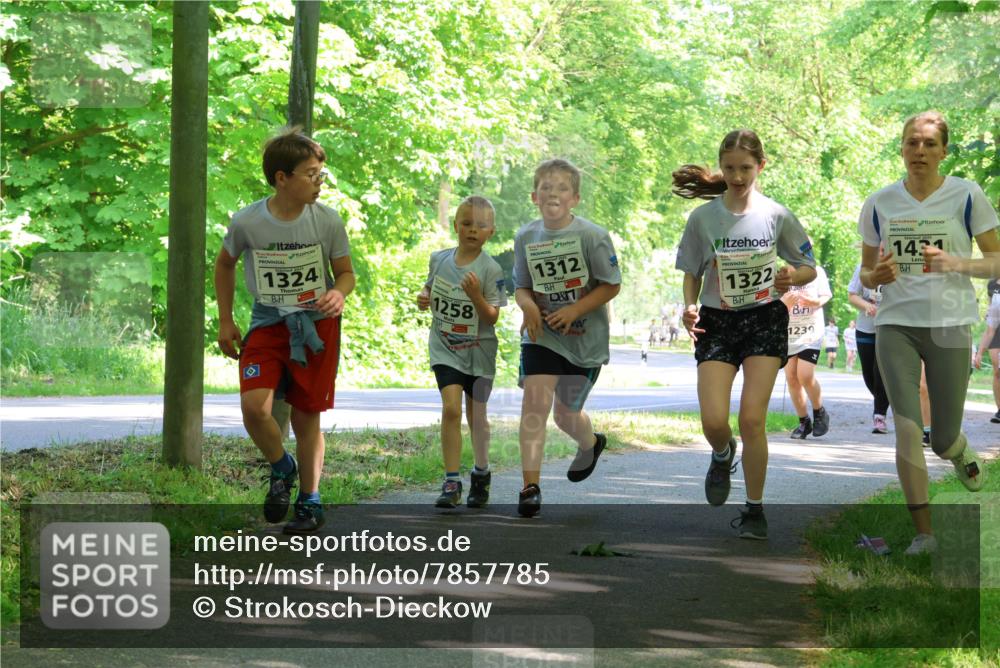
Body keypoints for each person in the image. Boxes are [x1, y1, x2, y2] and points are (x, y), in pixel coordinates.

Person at [859, 111, 999, 555]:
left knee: (941, 438)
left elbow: (996, 261)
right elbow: (865, 273)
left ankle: (957, 448)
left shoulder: (967, 195)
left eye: (929, 144)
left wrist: (956, 263)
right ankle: (925, 534)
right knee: (906, 428)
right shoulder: (880, 202)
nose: (919, 151)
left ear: (943, 151)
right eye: (911, 143)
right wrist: (877, 276)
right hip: (896, 323)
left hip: (950, 323)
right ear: (902, 148)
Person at [673, 129, 816, 540]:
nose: (737, 177)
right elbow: (691, 272)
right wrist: (689, 306)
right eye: (730, 168)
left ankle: (754, 510)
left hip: (763, 320)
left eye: (746, 168)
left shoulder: (776, 215)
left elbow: (809, 267)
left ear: (761, 167)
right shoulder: (703, 218)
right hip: (717, 322)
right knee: (714, 420)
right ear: (721, 167)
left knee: (752, 419)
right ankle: (722, 453)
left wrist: (791, 277)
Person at [215, 127, 355, 534]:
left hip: (316, 326)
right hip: (269, 321)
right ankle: (282, 466)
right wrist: (226, 319)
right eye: (311, 174)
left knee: (307, 417)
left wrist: (338, 293)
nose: (319, 181)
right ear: (282, 178)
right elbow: (224, 264)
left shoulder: (327, 220)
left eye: (321, 173)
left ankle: (310, 501)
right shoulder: (248, 221)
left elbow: (346, 274)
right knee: (254, 408)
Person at [513, 158, 621, 517]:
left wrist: (574, 310)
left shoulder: (592, 236)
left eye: (562, 188)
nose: (553, 193)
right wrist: (528, 306)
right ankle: (530, 488)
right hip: (542, 335)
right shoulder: (526, 237)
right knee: (534, 405)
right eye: (546, 187)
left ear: (575, 198)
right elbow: (521, 286)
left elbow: (611, 284)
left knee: (564, 414)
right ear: (534, 196)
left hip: (584, 340)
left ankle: (590, 443)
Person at [416, 196, 507, 508]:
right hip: (446, 346)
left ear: (491, 231)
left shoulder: (492, 269)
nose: (472, 230)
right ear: (456, 226)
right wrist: (424, 296)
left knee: (477, 416)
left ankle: (481, 473)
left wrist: (475, 295)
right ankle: (451, 481)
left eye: (480, 225)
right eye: (466, 223)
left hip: (479, 351)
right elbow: (429, 287)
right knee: (451, 409)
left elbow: (492, 316)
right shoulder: (439, 259)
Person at [781, 263, 832, 439]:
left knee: (805, 374)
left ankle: (819, 412)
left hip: (811, 331)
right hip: (790, 331)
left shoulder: (816, 271)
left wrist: (815, 302)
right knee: (791, 377)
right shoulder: (783, 271)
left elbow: (825, 295)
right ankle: (804, 422)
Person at [847, 262, 891, 433]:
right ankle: (889, 401)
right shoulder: (863, 267)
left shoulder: (897, 266)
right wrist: (867, 306)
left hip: (889, 327)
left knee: (881, 372)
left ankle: (879, 416)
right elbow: (852, 296)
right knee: (868, 374)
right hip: (865, 327)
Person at [973, 282, 1000, 423]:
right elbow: (990, 329)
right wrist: (979, 353)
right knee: (998, 371)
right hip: (997, 330)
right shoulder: (993, 285)